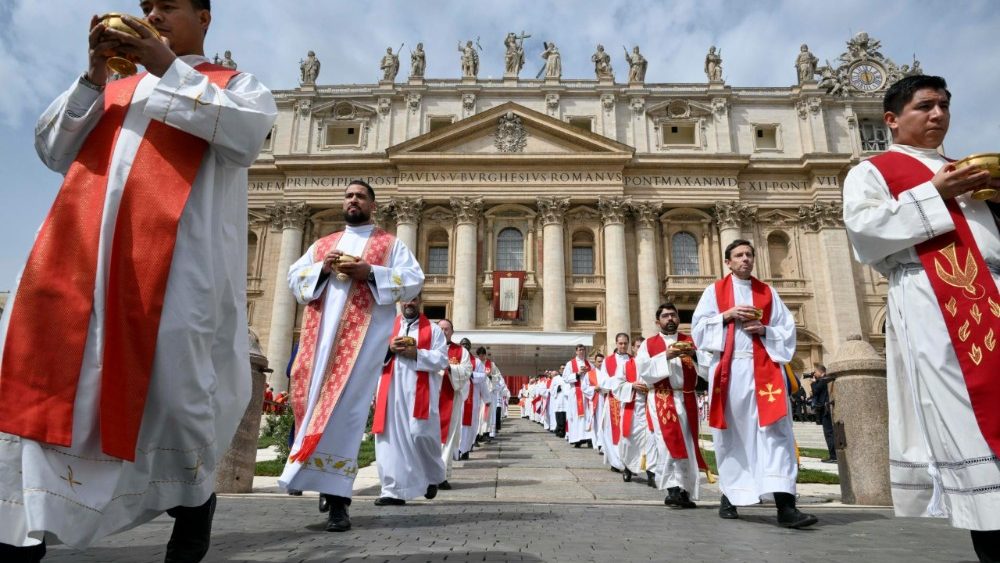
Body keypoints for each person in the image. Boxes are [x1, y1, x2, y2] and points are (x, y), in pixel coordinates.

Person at [0, 2, 276, 560]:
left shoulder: (236, 85)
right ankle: (23, 527)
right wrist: (93, 74)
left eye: (167, 6)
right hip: (78, 262)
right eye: (146, 6)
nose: (152, 14)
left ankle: (193, 500)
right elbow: (53, 149)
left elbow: (246, 135)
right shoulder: (113, 89)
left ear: (203, 17)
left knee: (176, 394)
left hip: (174, 274)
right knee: (52, 388)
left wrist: (165, 65)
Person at [842, 74, 1000, 561]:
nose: (938, 115)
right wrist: (935, 192)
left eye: (944, 106)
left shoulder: (969, 170)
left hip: (992, 290)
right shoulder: (872, 171)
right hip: (935, 303)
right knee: (975, 429)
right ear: (891, 120)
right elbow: (865, 232)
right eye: (925, 106)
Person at [278, 180, 423, 532]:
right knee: (316, 408)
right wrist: (323, 269)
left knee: (345, 416)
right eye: (348, 195)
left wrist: (370, 272)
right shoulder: (323, 244)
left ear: (373, 205)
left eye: (360, 196)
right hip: (319, 346)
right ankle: (324, 487)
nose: (353, 200)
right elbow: (293, 280)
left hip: (359, 348)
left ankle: (338, 502)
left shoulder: (390, 245)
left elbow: (414, 280)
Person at [692, 239, 816, 528]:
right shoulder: (714, 292)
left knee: (777, 435)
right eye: (739, 255)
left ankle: (786, 506)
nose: (745, 259)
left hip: (765, 371)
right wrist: (727, 315)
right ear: (728, 262)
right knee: (734, 434)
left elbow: (786, 331)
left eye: (749, 254)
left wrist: (764, 330)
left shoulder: (768, 292)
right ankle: (731, 496)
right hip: (731, 372)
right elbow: (698, 330)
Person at [371, 294, 449, 506]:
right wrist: (389, 349)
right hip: (391, 391)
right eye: (405, 300)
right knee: (389, 438)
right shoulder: (387, 326)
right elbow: (371, 355)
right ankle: (392, 490)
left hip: (419, 392)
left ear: (420, 300)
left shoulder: (433, 331)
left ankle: (432, 476)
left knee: (421, 434)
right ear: (400, 302)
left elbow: (443, 359)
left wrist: (417, 354)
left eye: (413, 299)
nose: (409, 304)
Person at [636, 304, 710, 509]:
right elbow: (643, 371)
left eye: (673, 315)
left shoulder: (690, 341)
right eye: (665, 316)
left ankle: (685, 490)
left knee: (687, 443)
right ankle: (673, 489)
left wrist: (694, 355)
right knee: (666, 443)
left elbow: (707, 369)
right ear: (657, 321)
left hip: (686, 397)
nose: (670, 319)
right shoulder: (649, 344)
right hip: (662, 397)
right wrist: (666, 356)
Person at [437, 319, 471, 489]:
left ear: (452, 331)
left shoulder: (461, 351)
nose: (443, 332)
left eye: (447, 329)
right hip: (428, 398)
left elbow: (466, 371)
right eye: (440, 329)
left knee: (448, 436)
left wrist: (450, 368)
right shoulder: (427, 348)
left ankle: (440, 476)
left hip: (450, 396)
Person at [598, 334, 630, 472]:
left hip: (629, 399)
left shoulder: (632, 360)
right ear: (616, 344)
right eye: (620, 343)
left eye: (625, 343)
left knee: (627, 431)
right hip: (613, 400)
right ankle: (615, 461)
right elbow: (603, 381)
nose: (623, 346)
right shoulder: (608, 361)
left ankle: (627, 461)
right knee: (611, 432)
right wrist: (620, 383)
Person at [457, 340, 489, 459]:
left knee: (469, 425)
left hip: (472, 398)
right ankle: (456, 449)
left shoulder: (476, 362)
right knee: (456, 424)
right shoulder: (455, 359)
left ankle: (465, 449)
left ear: (470, 347)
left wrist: (470, 375)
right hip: (456, 397)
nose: (465, 347)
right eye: (463, 345)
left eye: (467, 345)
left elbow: (482, 378)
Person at [563, 344, 595, 448]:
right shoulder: (570, 364)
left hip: (588, 393)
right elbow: (566, 378)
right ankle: (577, 439)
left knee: (589, 415)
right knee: (576, 415)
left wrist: (588, 373)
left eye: (583, 350)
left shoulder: (589, 364)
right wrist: (577, 373)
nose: (581, 352)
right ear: (576, 351)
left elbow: (594, 376)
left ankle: (589, 437)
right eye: (579, 350)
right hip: (576, 392)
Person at [808, 365, 837, 463]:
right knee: (829, 433)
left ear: (821, 372)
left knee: (829, 433)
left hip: (826, 410)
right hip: (825, 409)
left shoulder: (823, 380)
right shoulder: (823, 380)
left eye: (816, 372)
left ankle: (834, 457)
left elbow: (816, 391)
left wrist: (812, 383)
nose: (814, 374)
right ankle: (833, 456)